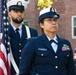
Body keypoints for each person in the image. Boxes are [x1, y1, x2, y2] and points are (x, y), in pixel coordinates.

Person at [19, 7, 75, 75]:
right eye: (49, 20)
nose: (53, 23)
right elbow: (24, 70)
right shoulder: (33, 43)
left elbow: (71, 70)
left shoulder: (65, 44)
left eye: (55, 20)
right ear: (41, 24)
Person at [7, 0, 38, 75]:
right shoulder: (3, 33)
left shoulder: (32, 32)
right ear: (9, 13)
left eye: (21, 11)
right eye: (16, 11)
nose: (19, 14)